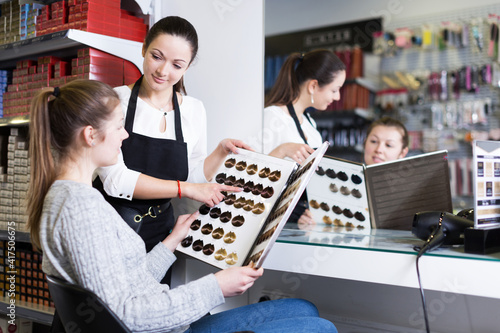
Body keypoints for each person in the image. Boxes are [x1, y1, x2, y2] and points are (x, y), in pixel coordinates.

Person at [26, 80, 338, 333]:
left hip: (164, 322)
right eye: (120, 126)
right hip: (159, 327)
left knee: (304, 310)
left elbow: (124, 285)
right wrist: (216, 286)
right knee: (320, 327)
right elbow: (127, 314)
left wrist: (171, 242)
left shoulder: (73, 197)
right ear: (90, 135)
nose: (125, 135)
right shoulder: (80, 210)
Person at [93, 16, 248, 251]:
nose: (163, 71)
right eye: (156, 57)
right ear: (143, 49)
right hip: (113, 227)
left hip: (162, 233)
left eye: (177, 65)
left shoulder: (194, 110)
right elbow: (116, 181)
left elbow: (190, 177)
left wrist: (220, 152)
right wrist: (184, 189)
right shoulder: (113, 102)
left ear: (187, 67)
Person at [261, 49, 347, 225]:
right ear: (313, 86)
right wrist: (283, 149)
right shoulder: (273, 117)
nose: (337, 97)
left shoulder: (310, 124)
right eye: (335, 89)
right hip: (271, 221)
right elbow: (252, 175)